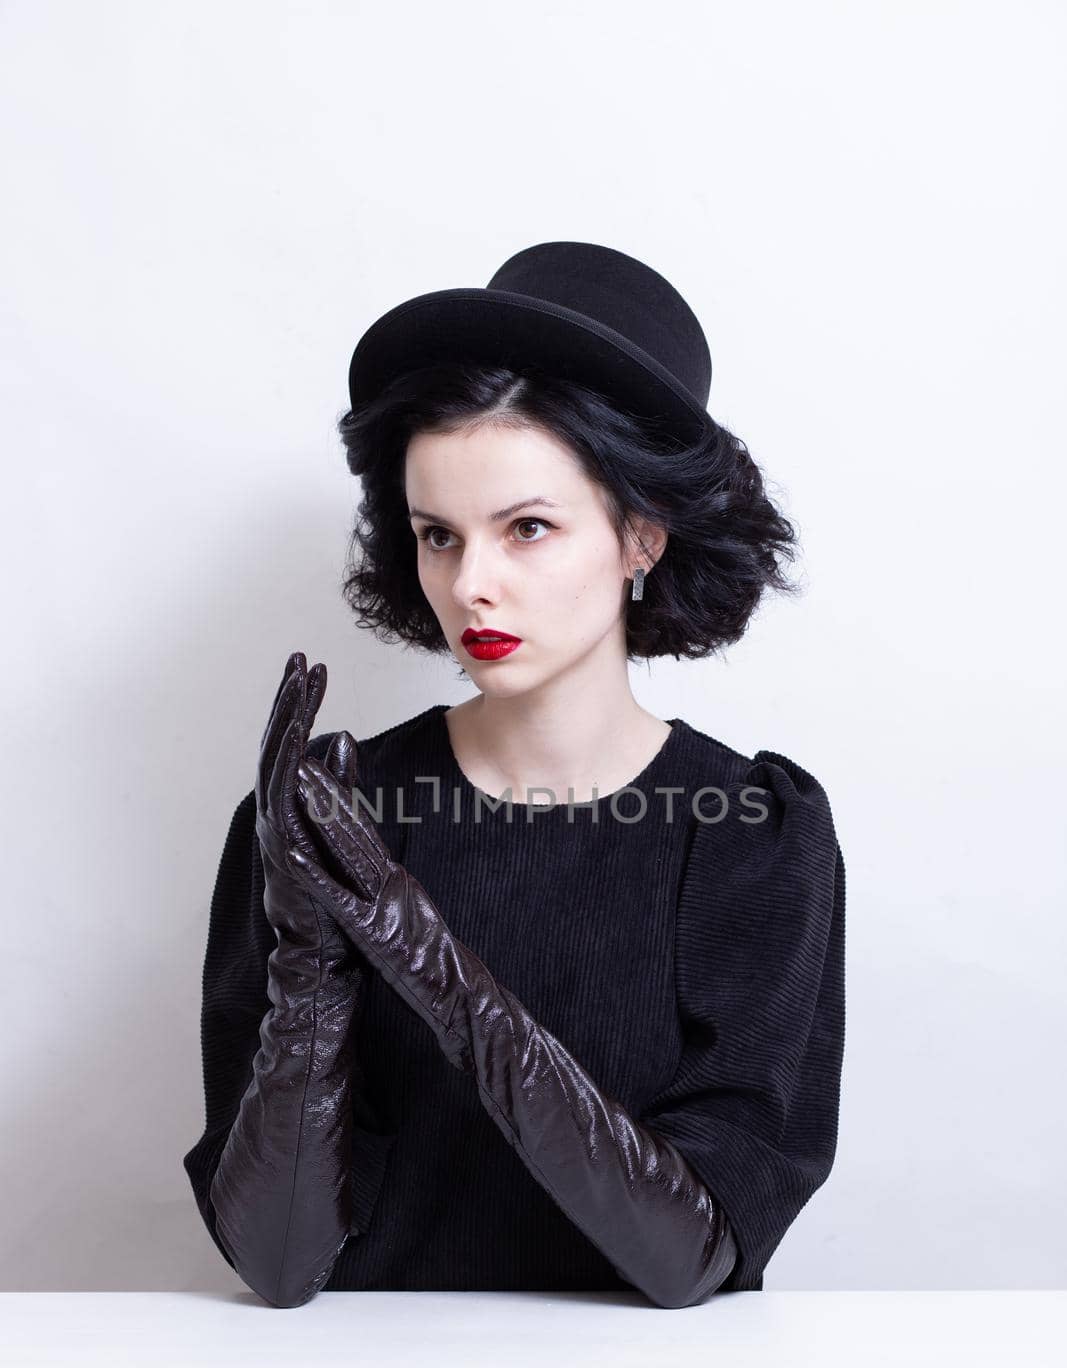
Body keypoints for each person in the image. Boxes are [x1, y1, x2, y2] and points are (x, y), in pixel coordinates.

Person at [183, 241, 846, 1310]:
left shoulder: (747, 833)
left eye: (526, 528)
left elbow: (689, 1255)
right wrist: (312, 963)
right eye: (436, 536)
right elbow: (276, 1262)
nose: (469, 585)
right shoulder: (330, 818)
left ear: (639, 534)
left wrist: (432, 967)